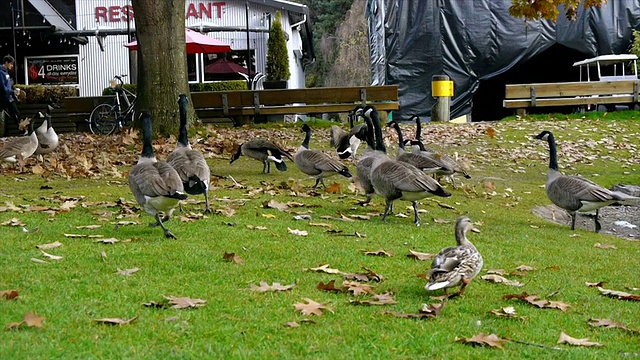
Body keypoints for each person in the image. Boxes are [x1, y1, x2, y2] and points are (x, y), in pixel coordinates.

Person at [0, 55, 21, 125]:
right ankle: (23, 129)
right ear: (6, 62)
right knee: (15, 113)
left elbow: (6, 86)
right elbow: (2, 88)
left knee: (15, 113)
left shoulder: (5, 72)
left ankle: (23, 129)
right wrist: (13, 92)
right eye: (11, 63)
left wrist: (13, 90)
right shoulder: (1, 73)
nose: (12, 66)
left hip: (7, 97)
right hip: (4, 98)